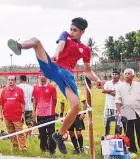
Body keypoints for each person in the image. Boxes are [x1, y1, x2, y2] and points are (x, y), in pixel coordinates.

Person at [7, 17, 102, 154]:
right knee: (36, 41)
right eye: (71, 29)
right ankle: (19, 46)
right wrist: (56, 53)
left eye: (75, 30)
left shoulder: (86, 49)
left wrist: (97, 80)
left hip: (67, 75)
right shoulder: (65, 35)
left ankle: (59, 135)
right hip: (54, 66)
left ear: (82, 31)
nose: (71, 32)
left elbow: (87, 71)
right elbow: (61, 45)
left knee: (76, 106)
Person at [115, 68, 140, 155]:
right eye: (125, 73)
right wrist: (119, 111)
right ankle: (132, 150)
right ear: (123, 75)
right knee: (129, 132)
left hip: (139, 112)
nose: (127, 75)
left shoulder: (139, 85)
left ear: (133, 75)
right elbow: (118, 100)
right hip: (126, 113)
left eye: (129, 73)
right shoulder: (119, 87)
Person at [0, 76, 27, 151]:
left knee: (20, 132)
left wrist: (23, 114)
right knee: (11, 133)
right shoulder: (4, 91)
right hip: (7, 116)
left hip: (17, 116)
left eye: (12, 80)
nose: (10, 81)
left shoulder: (19, 90)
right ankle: (15, 147)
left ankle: (23, 147)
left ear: (15, 81)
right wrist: (0, 114)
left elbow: (23, 103)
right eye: (9, 80)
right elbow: (1, 104)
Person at [32, 75, 57, 155]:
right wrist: (34, 111)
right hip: (39, 114)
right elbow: (35, 100)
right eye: (40, 75)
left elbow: (55, 100)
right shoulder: (35, 87)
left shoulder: (52, 87)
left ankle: (52, 150)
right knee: (42, 133)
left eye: (43, 74)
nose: (42, 76)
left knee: (51, 133)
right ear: (38, 76)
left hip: (49, 114)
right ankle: (43, 148)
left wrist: (51, 109)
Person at [59, 90, 87, 154]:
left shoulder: (78, 91)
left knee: (78, 133)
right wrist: (61, 115)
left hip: (77, 115)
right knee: (71, 133)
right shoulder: (62, 93)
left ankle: (82, 148)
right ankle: (76, 149)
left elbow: (85, 103)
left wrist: (83, 113)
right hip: (68, 116)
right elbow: (62, 105)